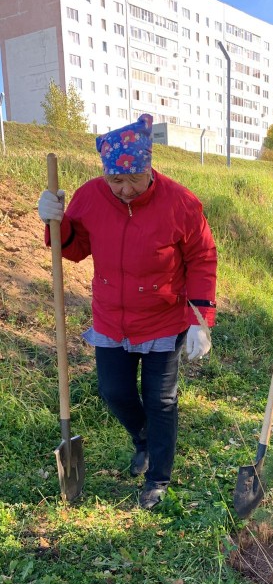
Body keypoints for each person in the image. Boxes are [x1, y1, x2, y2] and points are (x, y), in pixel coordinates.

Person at [38, 114, 217, 510]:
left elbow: (202, 257)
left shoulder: (181, 204)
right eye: (115, 181)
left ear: (148, 167)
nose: (123, 189)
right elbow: (73, 248)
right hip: (111, 316)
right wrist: (55, 221)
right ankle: (144, 441)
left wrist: (199, 319)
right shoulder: (91, 196)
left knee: (161, 401)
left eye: (132, 179)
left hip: (162, 317)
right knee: (114, 391)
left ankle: (158, 478)